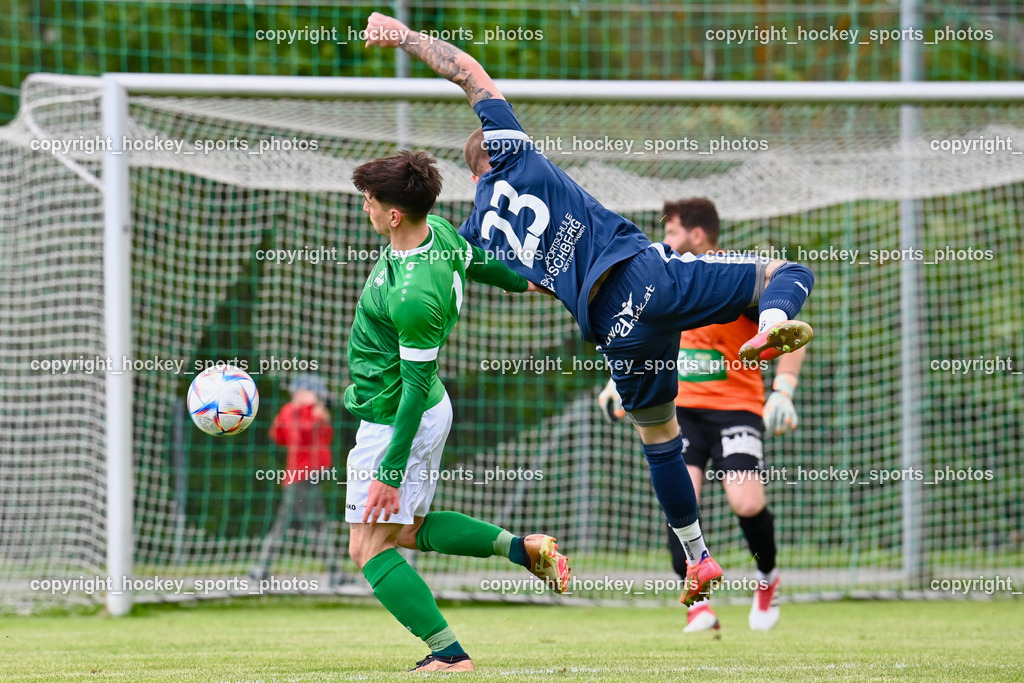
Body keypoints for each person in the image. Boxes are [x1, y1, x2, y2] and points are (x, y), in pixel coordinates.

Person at [363, 13, 815, 606]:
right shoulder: (517, 155)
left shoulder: (475, 235)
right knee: (785, 273)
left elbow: (526, 285)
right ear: (497, 150)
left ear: (472, 178)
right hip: (646, 277)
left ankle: (698, 556)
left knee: (660, 440)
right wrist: (403, 36)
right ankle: (771, 326)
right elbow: (468, 72)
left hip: (613, 329)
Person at [345, 150, 571, 674]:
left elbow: (413, 385)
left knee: (368, 547)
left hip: (398, 416)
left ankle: (448, 654)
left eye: (369, 201)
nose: (365, 208)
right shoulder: (439, 233)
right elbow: (479, 261)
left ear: (393, 214)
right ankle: (522, 549)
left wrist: (389, 472)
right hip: (412, 408)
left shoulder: (414, 296)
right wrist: (526, 282)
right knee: (408, 529)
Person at [600, 198, 806, 632]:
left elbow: (788, 334)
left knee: (745, 501)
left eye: (672, 232)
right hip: (682, 410)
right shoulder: (662, 277)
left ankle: (767, 577)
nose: (665, 240)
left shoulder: (736, 276)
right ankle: (698, 601)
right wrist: (616, 383)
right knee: (681, 498)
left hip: (737, 408)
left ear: (697, 235)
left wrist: (783, 391)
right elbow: (633, 334)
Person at [252, 373, 341, 583]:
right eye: (316, 395)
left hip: (309, 476)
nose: (320, 400)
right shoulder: (294, 411)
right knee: (315, 525)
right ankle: (335, 573)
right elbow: (288, 436)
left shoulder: (314, 412)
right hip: (301, 477)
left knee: (291, 525)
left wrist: (319, 417)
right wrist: (313, 416)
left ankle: (261, 568)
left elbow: (323, 439)